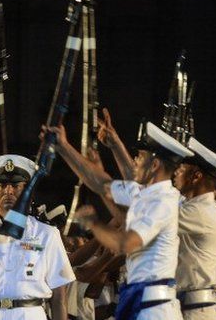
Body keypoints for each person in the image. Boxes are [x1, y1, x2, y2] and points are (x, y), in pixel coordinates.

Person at [48, 118, 194, 320]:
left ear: (155, 165)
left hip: (154, 308)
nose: (136, 162)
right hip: (139, 300)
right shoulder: (144, 193)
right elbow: (103, 184)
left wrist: (94, 224)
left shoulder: (162, 202)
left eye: (141, 157)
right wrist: (63, 147)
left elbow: (126, 243)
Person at [0, 154, 75, 320]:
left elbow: (59, 296)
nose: (8, 191)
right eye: (1, 185)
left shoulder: (47, 234)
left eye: (16, 186)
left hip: (30, 313)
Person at [172, 137, 216, 319]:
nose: (175, 173)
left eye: (181, 169)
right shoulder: (201, 207)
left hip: (197, 310)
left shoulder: (201, 211)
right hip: (191, 305)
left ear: (197, 176)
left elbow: (154, 214)